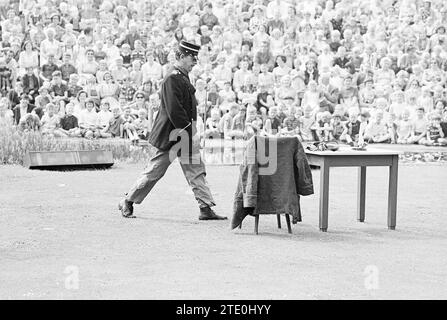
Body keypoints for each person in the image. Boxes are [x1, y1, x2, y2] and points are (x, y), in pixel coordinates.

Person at [118, 41, 226, 221]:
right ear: (181, 56)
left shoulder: (181, 76)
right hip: (173, 134)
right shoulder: (172, 78)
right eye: (192, 58)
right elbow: (174, 110)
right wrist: (189, 133)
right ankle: (128, 200)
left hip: (183, 131)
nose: (195, 62)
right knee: (155, 171)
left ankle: (205, 207)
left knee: (196, 170)